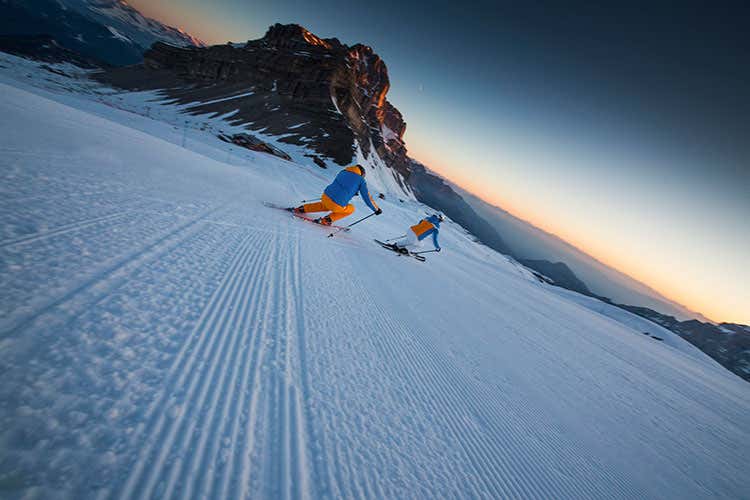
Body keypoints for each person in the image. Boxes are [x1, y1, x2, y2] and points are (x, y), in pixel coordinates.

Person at [290, 164, 382, 225]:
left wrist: (352, 192)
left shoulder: (343, 172)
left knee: (325, 205)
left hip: (325, 196)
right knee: (351, 209)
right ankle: (327, 220)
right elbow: (367, 198)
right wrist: (376, 209)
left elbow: (342, 185)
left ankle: (302, 208)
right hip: (336, 204)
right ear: (362, 174)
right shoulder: (361, 180)